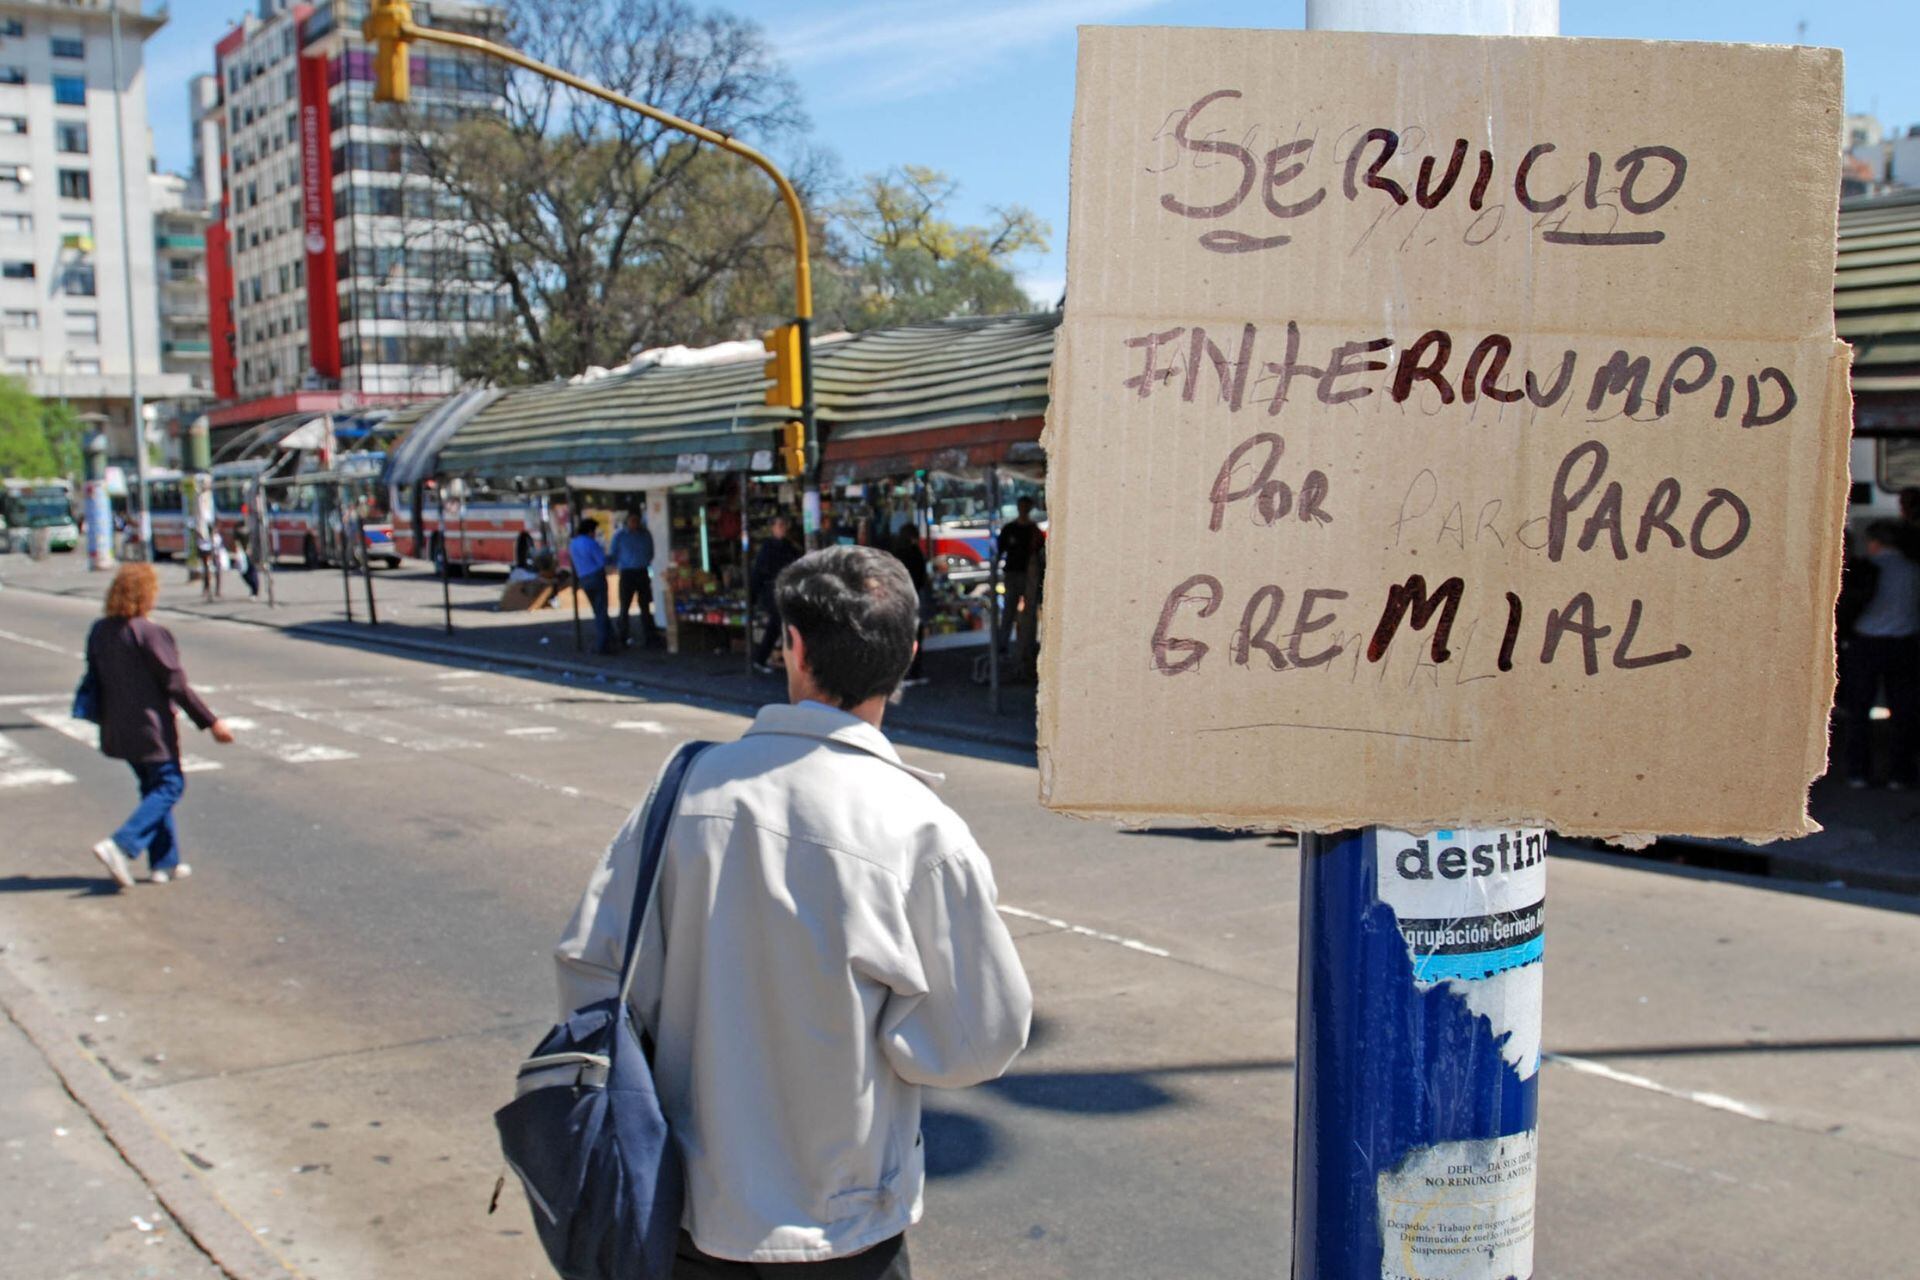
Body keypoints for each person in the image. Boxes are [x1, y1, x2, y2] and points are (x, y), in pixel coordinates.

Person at [555, 546, 1031, 1278]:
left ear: (794, 647)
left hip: (684, 1208)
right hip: (845, 1222)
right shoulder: (920, 830)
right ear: (908, 654)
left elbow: (592, 969)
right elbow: (979, 1039)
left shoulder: (685, 790)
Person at [85, 563, 236, 887]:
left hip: (117, 726)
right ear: (146, 594)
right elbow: (175, 684)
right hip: (151, 728)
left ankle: (164, 863)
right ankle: (121, 845)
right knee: (170, 785)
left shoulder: (101, 631)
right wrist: (211, 722)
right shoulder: (149, 633)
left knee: (151, 789)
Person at [1843, 519, 1919, 789]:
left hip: (1866, 645)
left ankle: (1858, 772)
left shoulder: (1866, 569)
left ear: (1875, 542)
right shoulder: (1913, 570)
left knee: (1859, 710)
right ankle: (1899, 773)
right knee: (1902, 712)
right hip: (1904, 645)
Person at [749, 514, 803, 675]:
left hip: (784, 590)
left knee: (779, 625)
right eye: (779, 525)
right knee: (780, 622)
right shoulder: (767, 548)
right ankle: (766, 658)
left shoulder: (789, 546)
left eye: (784, 525)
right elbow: (758, 573)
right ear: (772, 528)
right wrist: (753, 596)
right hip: (771, 592)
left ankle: (764, 658)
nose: (782, 529)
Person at [995, 497, 1042, 651]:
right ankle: (1004, 644)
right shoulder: (1009, 529)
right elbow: (1000, 550)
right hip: (1013, 573)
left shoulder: (1034, 530)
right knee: (1009, 608)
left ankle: (1029, 644)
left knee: (1030, 610)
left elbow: (1039, 552)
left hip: (1029, 574)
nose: (1023, 510)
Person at [890, 526, 932, 687]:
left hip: (898, 598)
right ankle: (912, 672)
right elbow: (921, 577)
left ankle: (901, 673)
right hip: (911, 597)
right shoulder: (915, 553)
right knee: (914, 635)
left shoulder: (895, 553)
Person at [611, 510, 659, 647]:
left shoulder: (645, 535)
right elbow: (614, 553)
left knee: (645, 606)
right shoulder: (620, 536)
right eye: (632, 521)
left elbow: (650, 552)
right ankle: (623, 636)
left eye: (637, 521)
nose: (635, 524)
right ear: (627, 522)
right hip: (627, 572)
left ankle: (649, 636)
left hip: (642, 571)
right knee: (624, 606)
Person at [569, 517, 614, 655]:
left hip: (583, 578)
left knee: (597, 609)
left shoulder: (573, 543)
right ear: (590, 531)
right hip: (596, 576)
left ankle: (610, 637)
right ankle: (603, 643)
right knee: (601, 610)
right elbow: (601, 561)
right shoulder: (591, 543)